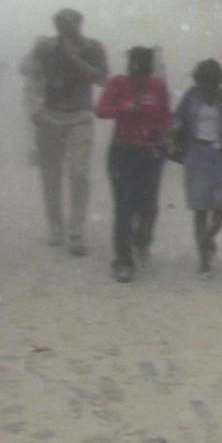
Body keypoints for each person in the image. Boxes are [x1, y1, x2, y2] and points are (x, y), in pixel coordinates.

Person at [20, 8, 108, 256]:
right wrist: (34, 106)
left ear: (79, 23)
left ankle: (76, 229)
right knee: (51, 174)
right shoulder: (46, 46)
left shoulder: (93, 47)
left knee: (79, 172)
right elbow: (26, 70)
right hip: (48, 114)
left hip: (79, 116)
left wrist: (74, 58)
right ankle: (55, 227)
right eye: (58, 25)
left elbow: (102, 79)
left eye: (67, 24)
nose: (62, 29)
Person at [95, 47, 172, 283]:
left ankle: (141, 239)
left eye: (144, 76)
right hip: (123, 150)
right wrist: (122, 108)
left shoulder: (158, 86)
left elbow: (166, 114)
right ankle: (123, 259)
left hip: (150, 151)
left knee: (148, 204)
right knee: (124, 206)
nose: (141, 81)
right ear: (130, 71)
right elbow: (100, 110)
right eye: (137, 76)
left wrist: (169, 135)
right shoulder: (118, 83)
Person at [172, 59, 222, 280]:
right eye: (202, 86)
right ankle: (204, 261)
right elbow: (178, 117)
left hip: (219, 154)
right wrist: (174, 129)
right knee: (200, 209)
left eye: (209, 87)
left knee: (221, 208)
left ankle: (208, 238)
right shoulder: (192, 95)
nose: (205, 91)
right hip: (196, 154)